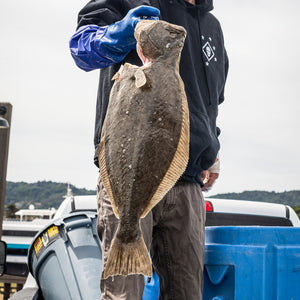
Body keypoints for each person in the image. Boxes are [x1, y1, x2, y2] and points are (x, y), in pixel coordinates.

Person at [69, 0, 228, 299]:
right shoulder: (135, 3)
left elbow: (211, 101)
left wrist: (212, 148)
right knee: (124, 294)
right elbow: (81, 49)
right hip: (128, 179)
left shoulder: (212, 28)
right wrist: (117, 34)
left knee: (187, 294)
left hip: (189, 182)